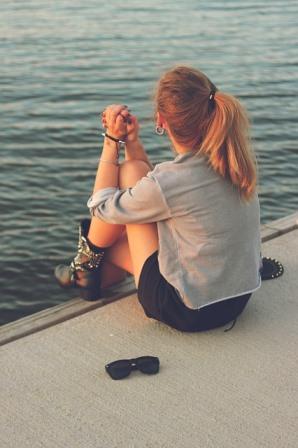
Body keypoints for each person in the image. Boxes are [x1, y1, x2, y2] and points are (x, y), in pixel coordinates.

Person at [55, 66, 261, 332]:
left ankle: (84, 268)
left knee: (123, 197)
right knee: (134, 180)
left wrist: (110, 141)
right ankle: (86, 271)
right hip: (236, 298)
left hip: (186, 310)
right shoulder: (234, 161)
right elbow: (156, 195)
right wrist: (131, 142)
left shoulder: (173, 179)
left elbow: (102, 208)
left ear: (161, 120)